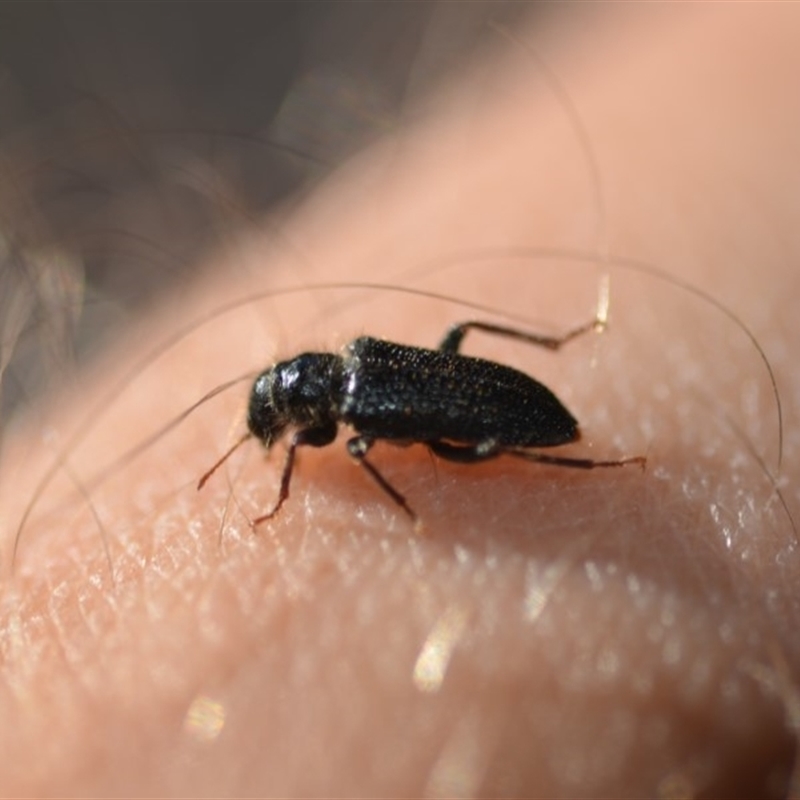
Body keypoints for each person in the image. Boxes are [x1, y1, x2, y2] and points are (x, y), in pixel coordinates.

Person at [1, 5, 797, 796]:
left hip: (518, 410)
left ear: (302, 406)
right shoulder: (356, 364)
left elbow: (347, 452)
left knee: (479, 446)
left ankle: (580, 451)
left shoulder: (354, 423)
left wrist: (385, 511)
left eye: (281, 423)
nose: (286, 437)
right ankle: (560, 375)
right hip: (484, 393)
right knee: (459, 378)